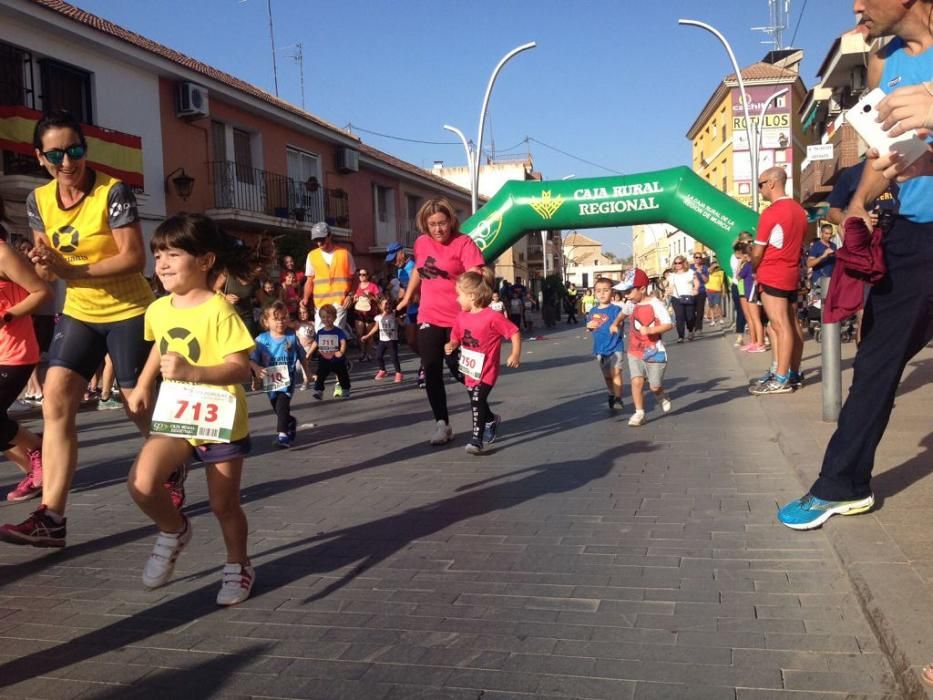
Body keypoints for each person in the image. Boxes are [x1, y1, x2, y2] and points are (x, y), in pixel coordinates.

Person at [779, 0, 933, 538]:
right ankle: (842, 486)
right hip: (916, 235)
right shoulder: (884, 61)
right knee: (875, 361)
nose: (857, 5)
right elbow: (882, 153)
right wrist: (859, 204)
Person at [1, 110, 159, 548]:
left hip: (128, 309)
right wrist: (43, 265)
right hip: (81, 312)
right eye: (56, 154)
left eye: (75, 150)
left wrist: (72, 269)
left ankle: (170, 462)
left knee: (136, 402)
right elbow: (51, 262)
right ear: (40, 157)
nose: (67, 162)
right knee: (55, 401)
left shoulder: (114, 192)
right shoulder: (38, 201)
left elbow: (133, 258)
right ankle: (51, 517)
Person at [125, 212, 257, 606]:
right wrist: (143, 384)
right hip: (177, 415)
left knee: (223, 505)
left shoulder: (220, 310)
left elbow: (239, 367)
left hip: (221, 418)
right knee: (142, 483)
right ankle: (173, 529)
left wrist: (193, 371)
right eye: (158, 254)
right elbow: (159, 345)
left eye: (173, 254)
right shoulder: (158, 308)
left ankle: (239, 565)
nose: (162, 263)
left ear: (204, 261)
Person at [397, 198, 484, 445]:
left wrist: (477, 304)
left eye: (442, 223)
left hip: (458, 318)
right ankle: (442, 424)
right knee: (431, 368)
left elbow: (476, 274)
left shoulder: (463, 242)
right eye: (432, 224)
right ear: (425, 224)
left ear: (451, 221)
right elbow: (418, 270)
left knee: (462, 371)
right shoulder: (422, 243)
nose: (438, 229)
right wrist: (408, 297)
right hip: (429, 315)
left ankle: (485, 415)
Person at [0, 199, 50, 502]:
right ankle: (37, 471)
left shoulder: (3, 253)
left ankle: (39, 450)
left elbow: (42, 291)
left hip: (15, 351)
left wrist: (7, 316)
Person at [444, 268, 521, 455]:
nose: (456, 299)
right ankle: (491, 419)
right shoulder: (461, 317)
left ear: (471, 296)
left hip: (487, 370)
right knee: (477, 400)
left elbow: (514, 332)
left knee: (477, 399)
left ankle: (476, 440)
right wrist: (452, 344)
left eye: (459, 295)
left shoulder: (492, 316)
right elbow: (456, 336)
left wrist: (515, 353)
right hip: (470, 368)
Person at [748, 167, 807, 395]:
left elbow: (757, 251)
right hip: (791, 271)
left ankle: (781, 378)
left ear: (772, 183)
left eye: (761, 183)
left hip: (773, 272)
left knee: (779, 325)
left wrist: (753, 266)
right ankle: (792, 372)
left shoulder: (771, 213)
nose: (760, 188)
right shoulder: (799, 211)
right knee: (792, 323)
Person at [610, 269, 673, 427]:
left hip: (654, 351)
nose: (626, 295)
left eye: (629, 291)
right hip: (635, 350)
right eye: (624, 292)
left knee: (654, 385)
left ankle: (661, 395)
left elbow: (668, 324)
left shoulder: (655, 304)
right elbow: (622, 314)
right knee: (637, 381)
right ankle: (639, 413)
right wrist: (615, 323)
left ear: (642, 288)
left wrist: (651, 330)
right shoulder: (631, 304)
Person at [251, 300, 309, 448]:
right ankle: (289, 422)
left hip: (287, 379)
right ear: (266, 321)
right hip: (269, 380)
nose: (280, 322)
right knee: (277, 407)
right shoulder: (261, 340)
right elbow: (251, 360)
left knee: (283, 404)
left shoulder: (291, 337)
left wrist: (307, 374)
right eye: (276, 319)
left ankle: (282, 435)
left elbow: (302, 356)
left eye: (284, 318)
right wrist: (256, 370)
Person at [301, 222, 355, 332]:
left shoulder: (344, 254)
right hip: (320, 303)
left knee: (335, 336)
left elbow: (355, 278)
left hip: (339, 303)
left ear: (329, 236)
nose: (319, 242)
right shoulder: (312, 255)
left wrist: (350, 296)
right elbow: (309, 280)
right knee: (321, 336)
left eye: (322, 239)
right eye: (316, 240)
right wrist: (305, 299)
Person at [386, 241, 424, 388]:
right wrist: (393, 302)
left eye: (394, 258)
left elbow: (418, 288)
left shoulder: (413, 267)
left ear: (401, 253)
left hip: (422, 308)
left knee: (421, 339)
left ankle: (425, 368)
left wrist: (411, 299)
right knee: (411, 341)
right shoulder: (400, 271)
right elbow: (402, 290)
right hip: (410, 310)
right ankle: (428, 360)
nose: (394, 263)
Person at [585, 277, 625, 411]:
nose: (602, 294)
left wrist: (616, 326)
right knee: (607, 376)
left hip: (616, 346)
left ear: (612, 292)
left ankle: (618, 398)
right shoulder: (593, 311)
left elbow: (620, 323)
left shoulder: (616, 310)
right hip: (600, 349)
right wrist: (589, 326)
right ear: (595, 293)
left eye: (606, 290)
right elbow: (590, 326)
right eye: (598, 291)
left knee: (616, 373)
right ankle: (611, 393)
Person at [309, 303, 350, 400]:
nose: (326, 319)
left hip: (336, 358)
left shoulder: (338, 331)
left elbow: (343, 342)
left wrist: (341, 352)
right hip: (324, 358)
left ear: (335, 318)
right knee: (320, 375)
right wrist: (309, 353)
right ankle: (319, 391)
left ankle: (345, 390)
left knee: (342, 374)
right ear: (320, 318)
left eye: (329, 317)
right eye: (323, 317)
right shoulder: (320, 332)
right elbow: (316, 343)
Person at [363, 297, 403, 382]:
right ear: (380, 306)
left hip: (392, 340)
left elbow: (402, 324)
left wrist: (400, 321)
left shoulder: (394, 314)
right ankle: (383, 370)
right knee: (378, 356)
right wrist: (368, 335)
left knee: (394, 357)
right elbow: (375, 328)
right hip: (382, 340)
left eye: (389, 304)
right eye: (385, 304)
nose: (387, 306)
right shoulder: (378, 317)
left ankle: (398, 373)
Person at [351, 268, 380, 362]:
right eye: (360, 274)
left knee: (369, 334)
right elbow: (352, 299)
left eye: (364, 274)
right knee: (359, 334)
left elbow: (379, 299)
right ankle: (362, 353)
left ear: (368, 275)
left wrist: (370, 296)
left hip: (370, 313)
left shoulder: (373, 286)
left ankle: (369, 353)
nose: (361, 276)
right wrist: (354, 299)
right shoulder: (356, 286)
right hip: (359, 312)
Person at [668, 256, 699, 342]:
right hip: (676, 298)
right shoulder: (672, 275)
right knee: (679, 317)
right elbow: (671, 286)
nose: (677, 265)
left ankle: (690, 330)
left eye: (679, 263)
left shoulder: (690, 272)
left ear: (684, 263)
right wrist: (668, 292)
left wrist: (696, 289)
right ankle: (681, 336)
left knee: (690, 317)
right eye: (676, 263)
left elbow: (696, 282)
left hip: (688, 297)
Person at [807, 224, 838, 300]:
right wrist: (823, 256)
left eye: (830, 233)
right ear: (821, 233)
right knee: (820, 306)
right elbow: (809, 264)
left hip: (832, 279)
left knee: (830, 305)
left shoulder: (833, 245)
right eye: (826, 233)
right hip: (819, 279)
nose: (829, 236)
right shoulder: (816, 246)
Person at [294, 304, 316, 389]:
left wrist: (311, 351)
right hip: (299, 348)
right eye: (300, 313)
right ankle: (311, 375)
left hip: (308, 347)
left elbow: (317, 337)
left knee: (303, 362)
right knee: (298, 367)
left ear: (308, 312)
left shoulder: (313, 324)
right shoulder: (297, 324)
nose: (302, 314)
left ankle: (306, 381)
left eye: (304, 312)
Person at [689, 253, 710, 333]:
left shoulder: (704, 268)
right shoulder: (690, 268)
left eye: (699, 257)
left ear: (701, 259)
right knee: (691, 311)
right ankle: (694, 325)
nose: (698, 259)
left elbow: (706, 281)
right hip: (691, 292)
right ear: (694, 258)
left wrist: (700, 272)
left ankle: (699, 328)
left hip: (701, 291)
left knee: (700, 311)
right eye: (696, 257)